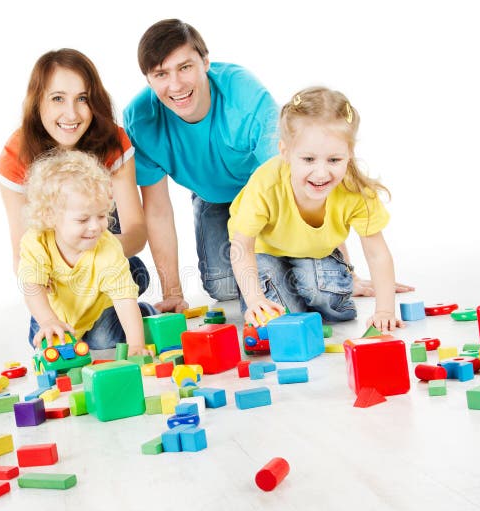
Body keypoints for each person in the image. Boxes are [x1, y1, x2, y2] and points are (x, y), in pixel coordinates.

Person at [124, 19, 411, 314]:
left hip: (268, 192)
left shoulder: (244, 97)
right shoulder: (141, 118)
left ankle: (304, 271)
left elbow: (308, 182)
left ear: (205, 62)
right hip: (212, 196)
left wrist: (344, 272)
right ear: (148, 79)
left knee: (309, 278)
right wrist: (172, 292)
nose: (176, 85)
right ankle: (274, 272)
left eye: (185, 67)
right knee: (223, 286)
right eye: (161, 74)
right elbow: (157, 210)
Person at [228, 87, 404, 332]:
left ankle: (305, 285)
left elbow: (376, 253)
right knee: (278, 320)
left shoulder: (356, 190)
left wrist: (385, 310)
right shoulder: (266, 184)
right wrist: (255, 299)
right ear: (285, 152)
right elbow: (241, 246)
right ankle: (284, 288)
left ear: (349, 155)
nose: (321, 173)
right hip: (263, 250)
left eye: (334, 160)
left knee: (330, 302)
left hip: (314, 252)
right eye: (308, 159)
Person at [0, 48, 150, 294]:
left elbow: (136, 233)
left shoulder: (113, 142)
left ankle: (127, 289)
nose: (71, 114)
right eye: (58, 98)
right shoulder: (15, 156)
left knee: (118, 303)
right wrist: (53, 291)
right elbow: (22, 257)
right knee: (59, 333)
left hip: (103, 250)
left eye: (82, 98)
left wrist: (94, 260)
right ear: (38, 102)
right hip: (56, 273)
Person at [18, 150, 156, 354]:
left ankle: (144, 311)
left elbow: (123, 300)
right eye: (83, 220)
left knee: (103, 340)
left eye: (101, 216)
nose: (95, 227)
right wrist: (48, 320)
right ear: (50, 217)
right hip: (58, 309)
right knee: (40, 339)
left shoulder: (107, 247)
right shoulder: (36, 241)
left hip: (97, 308)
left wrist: (136, 344)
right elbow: (32, 286)